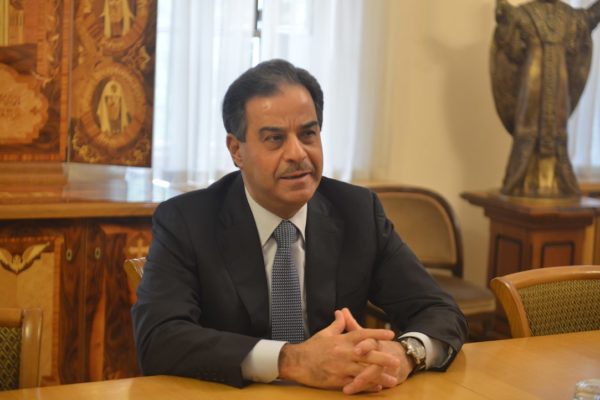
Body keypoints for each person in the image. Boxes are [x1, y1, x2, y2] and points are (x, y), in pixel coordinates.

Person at [132, 59, 467, 395]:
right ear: (236, 150)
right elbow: (159, 339)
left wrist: (405, 354)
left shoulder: (357, 212)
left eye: (308, 134)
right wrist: (291, 360)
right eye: (274, 139)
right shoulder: (187, 221)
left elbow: (438, 310)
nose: (297, 153)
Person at [492, 0, 600, 198]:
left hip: (560, 81)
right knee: (528, 123)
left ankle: (557, 180)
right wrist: (503, 11)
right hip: (532, 78)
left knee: (558, 124)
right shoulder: (525, 13)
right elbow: (509, 40)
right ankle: (519, 179)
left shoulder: (570, 16)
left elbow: (589, 19)